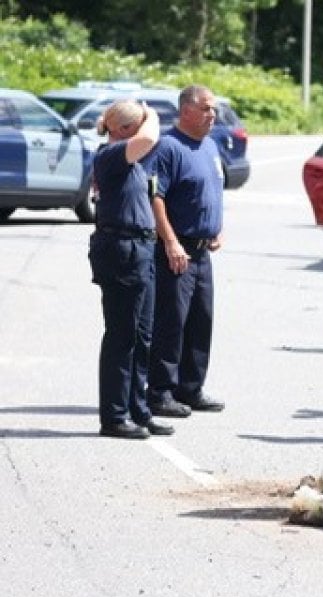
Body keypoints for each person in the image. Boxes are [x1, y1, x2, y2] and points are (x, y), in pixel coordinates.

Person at [89, 99, 173, 439]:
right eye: (138, 124)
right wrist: (149, 114)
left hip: (140, 248)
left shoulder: (132, 161)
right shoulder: (110, 155)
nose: (147, 128)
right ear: (123, 130)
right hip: (121, 250)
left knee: (143, 336)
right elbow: (151, 139)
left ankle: (138, 409)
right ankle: (114, 416)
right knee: (121, 337)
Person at [145, 84, 226, 418]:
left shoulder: (209, 145)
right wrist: (171, 241)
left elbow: (212, 189)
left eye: (214, 109)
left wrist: (216, 227)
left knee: (200, 321)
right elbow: (155, 197)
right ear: (186, 110)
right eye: (207, 108)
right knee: (171, 322)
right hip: (176, 250)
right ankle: (160, 391)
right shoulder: (168, 147)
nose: (213, 115)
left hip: (203, 250)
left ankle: (190, 388)